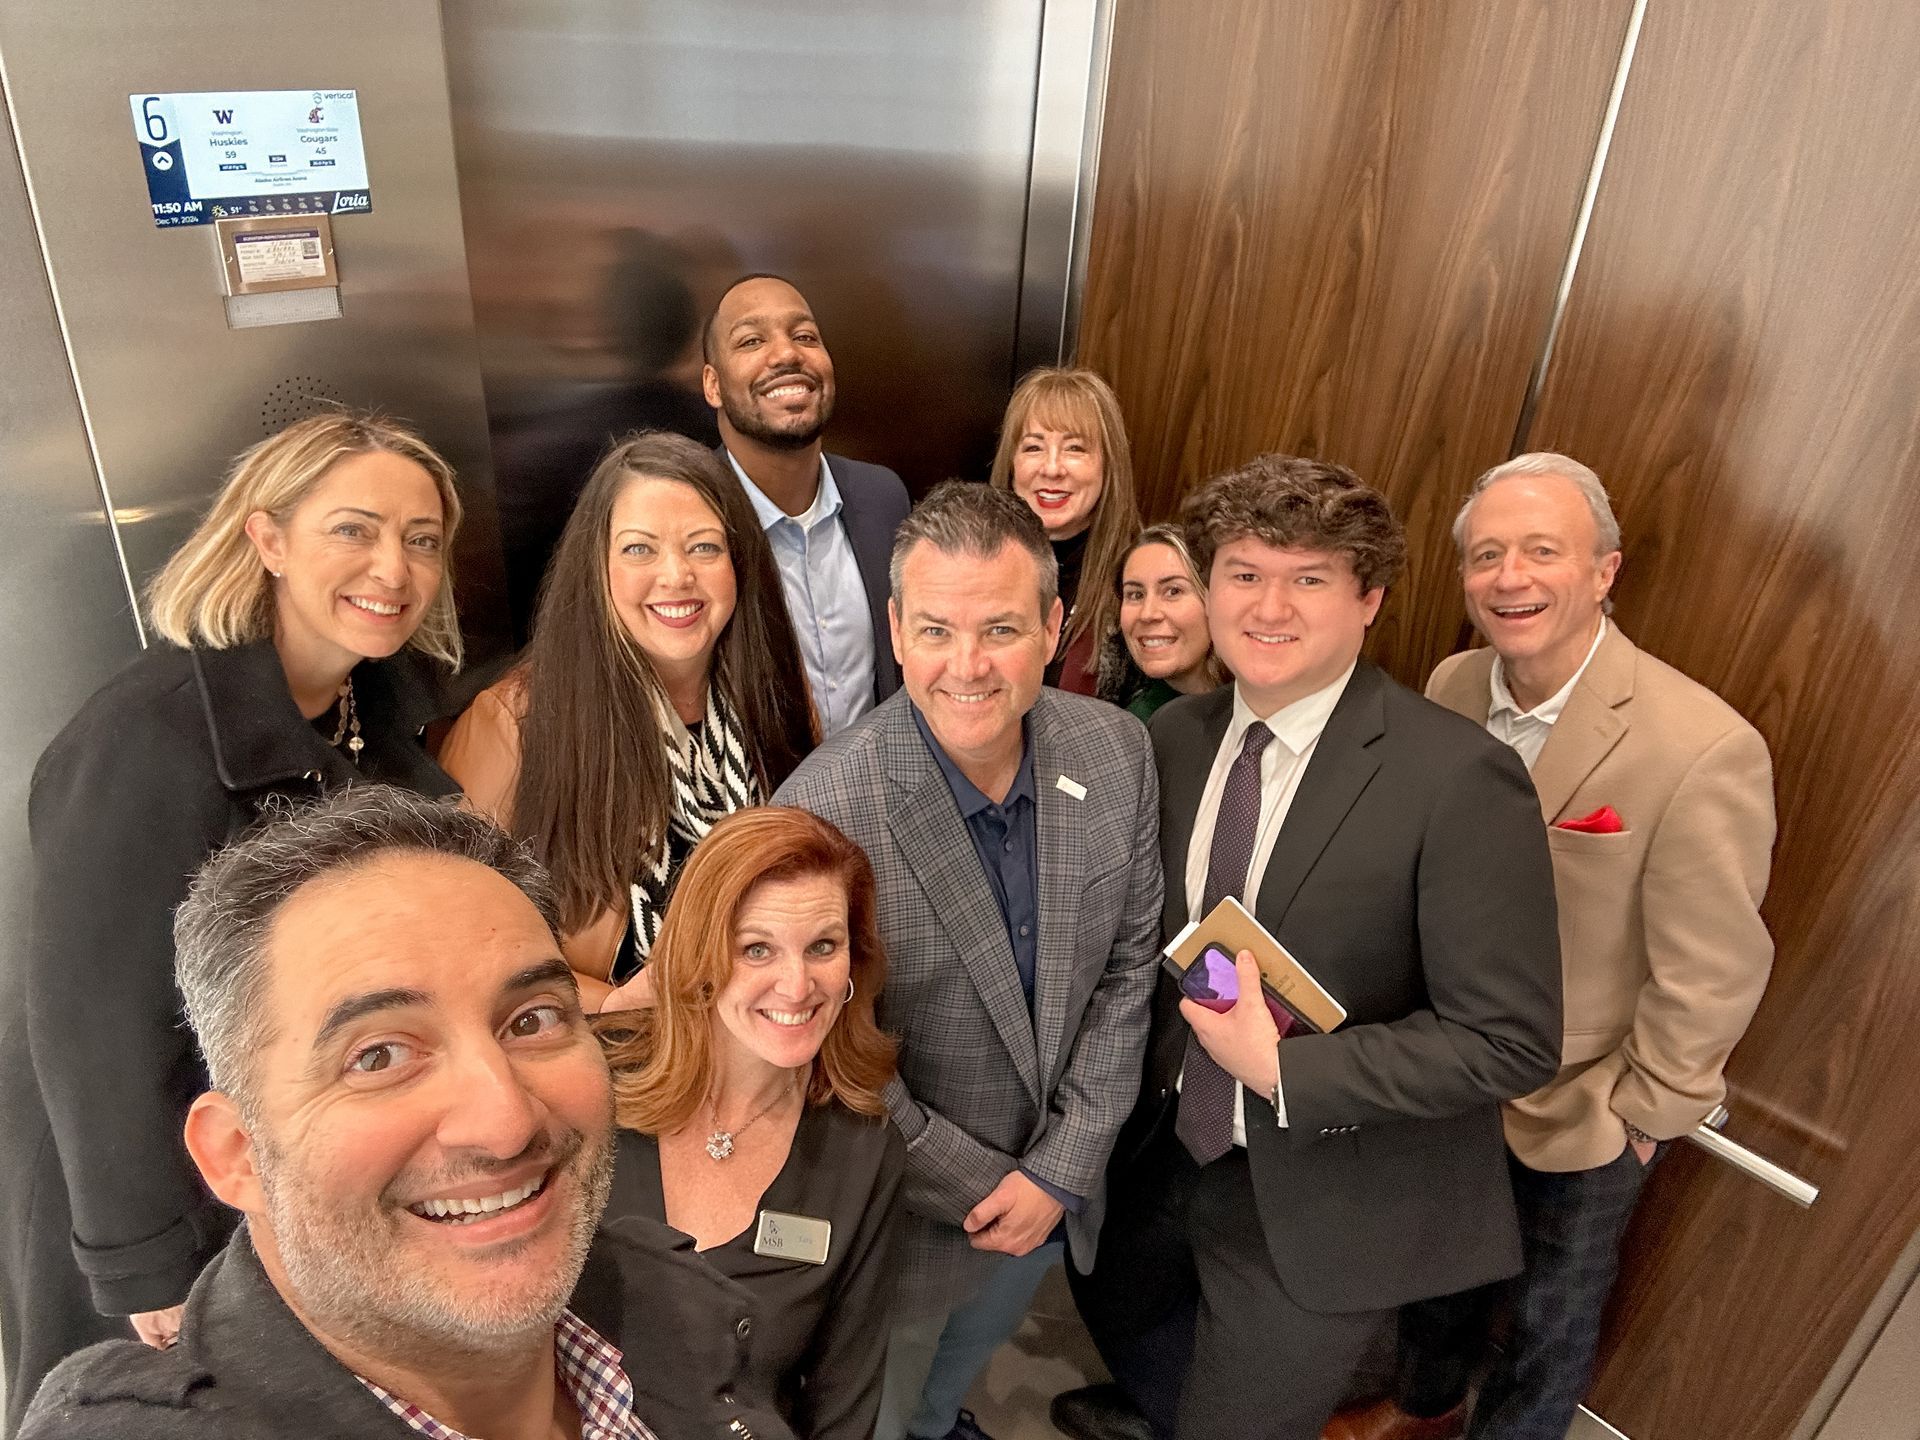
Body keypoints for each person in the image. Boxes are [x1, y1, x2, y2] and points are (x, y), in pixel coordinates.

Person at [19, 785, 773, 1438]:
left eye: (534, 1020)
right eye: (378, 1056)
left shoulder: (670, 1309)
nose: (506, 1122)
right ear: (235, 1155)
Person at [1077, 454, 1562, 1440]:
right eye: (1244, 574)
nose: (1269, 606)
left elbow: (1509, 1041)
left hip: (1324, 1188)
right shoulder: (1173, 741)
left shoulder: (1460, 778)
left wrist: (1284, 1069)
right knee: (1122, 1325)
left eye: (1309, 579)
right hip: (1166, 1150)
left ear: (1369, 599)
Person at [0, 412, 465, 1432]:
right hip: (145, 1191)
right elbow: (91, 1028)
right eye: (354, 529)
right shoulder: (147, 735)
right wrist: (141, 1260)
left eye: (422, 538)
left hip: (277, 1167)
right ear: (267, 540)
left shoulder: (367, 714)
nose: (394, 565)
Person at [1326, 455, 1776, 1440]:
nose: (1510, 578)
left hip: (1584, 1100)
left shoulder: (1700, 747)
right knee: (1436, 1268)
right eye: (1486, 556)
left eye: (1541, 551)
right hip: (1451, 1067)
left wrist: (1644, 1113)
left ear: (1604, 571)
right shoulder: (1452, 684)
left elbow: (1717, 968)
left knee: (1548, 1320)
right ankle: (1422, 1410)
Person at [774, 482, 1164, 1440]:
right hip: (906, 1219)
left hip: (1053, 1195)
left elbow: (1128, 968)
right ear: (897, 632)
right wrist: (991, 1188)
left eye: (1000, 629)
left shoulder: (1117, 752)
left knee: (953, 1380)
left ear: (1053, 623)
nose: (968, 666)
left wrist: (1060, 1169)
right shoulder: (827, 811)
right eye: (939, 631)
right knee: (881, 1406)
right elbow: (820, 1047)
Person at [439, 430, 815, 1008]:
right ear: (597, 566)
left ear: (741, 563)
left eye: (705, 547)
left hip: (770, 1031)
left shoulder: (779, 699)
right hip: (616, 1059)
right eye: (639, 548)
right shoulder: (513, 725)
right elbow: (459, 938)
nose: (676, 576)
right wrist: (608, 1006)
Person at [596, 806, 906, 1440]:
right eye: (757, 949)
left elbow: (844, 1403)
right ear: (703, 952)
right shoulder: (592, 1081)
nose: (797, 986)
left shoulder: (864, 1149)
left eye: (824, 946)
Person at [703, 272, 912, 734]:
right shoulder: (686, 517)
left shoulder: (884, 499)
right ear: (713, 385)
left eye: (804, 336)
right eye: (752, 340)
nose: (787, 354)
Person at [988, 366, 1143, 694]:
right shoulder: (972, 563)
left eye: (1075, 448)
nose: (1053, 468)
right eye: (1033, 447)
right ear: (1012, 464)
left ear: (1108, 465)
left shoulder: (1139, 580)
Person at [1095, 524, 1222, 719]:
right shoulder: (1132, 730)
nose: (1147, 614)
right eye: (1136, 595)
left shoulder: (1265, 704)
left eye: (1173, 591)